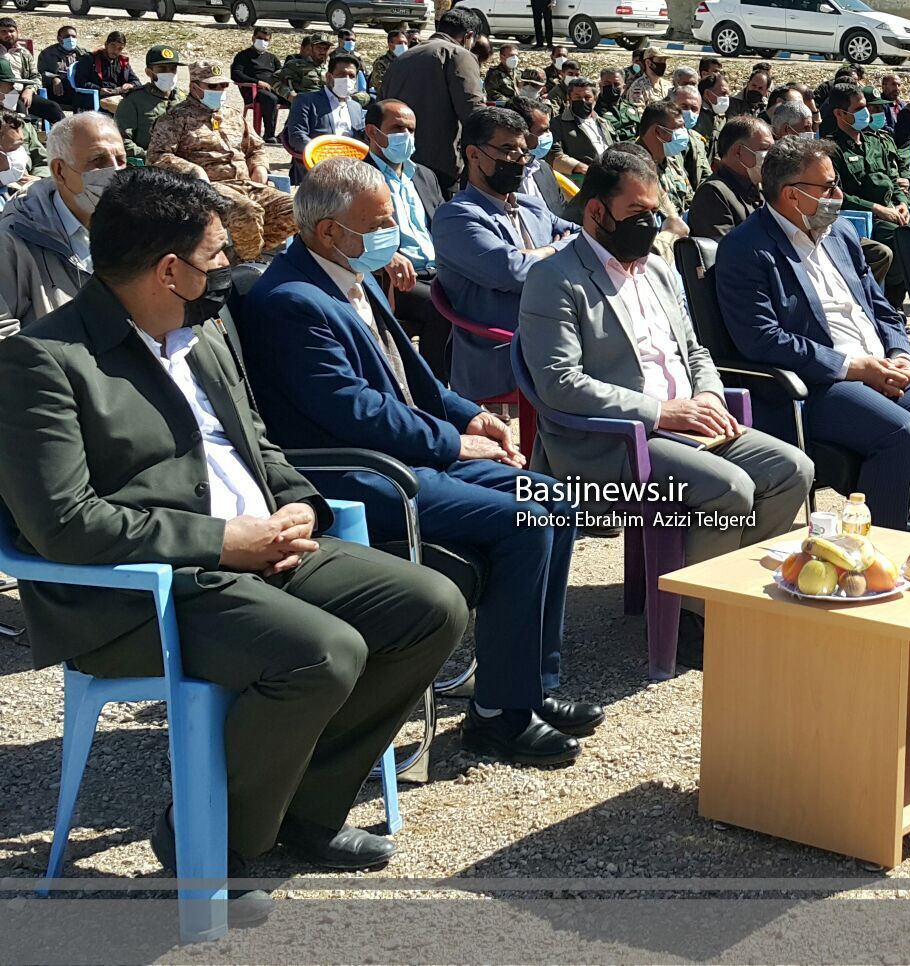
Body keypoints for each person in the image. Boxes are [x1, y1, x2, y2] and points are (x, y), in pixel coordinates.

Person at [0, 168, 467, 908]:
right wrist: (223, 541)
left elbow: (257, 444)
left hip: (260, 553)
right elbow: (63, 523)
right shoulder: (44, 362)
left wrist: (296, 504)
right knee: (323, 653)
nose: (230, 270)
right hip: (144, 592)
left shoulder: (204, 330)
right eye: (217, 255)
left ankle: (302, 811)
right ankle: (211, 839)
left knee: (431, 606)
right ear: (169, 270)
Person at [237, 159, 592, 769]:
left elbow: (413, 379)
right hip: (363, 473)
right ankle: (497, 717)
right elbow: (356, 411)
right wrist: (454, 443)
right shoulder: (290, 301)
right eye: (378, 222)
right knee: (521, 521)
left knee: (553, 499)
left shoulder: (353, 271)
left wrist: (467, 415)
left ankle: (531, 686)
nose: (393, 232)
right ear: (326, 231)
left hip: (410, 455)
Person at [519, 146, 812, 667]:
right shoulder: (555, 278)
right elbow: (559, 384)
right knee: (730, 488)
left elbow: (694, 349)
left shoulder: (657, 270)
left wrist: (706, 395)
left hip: (689, 422)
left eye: (655, 213)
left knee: (793, 469)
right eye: (636, 214)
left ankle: (724, 593)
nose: (649, 225)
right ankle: (693, 616)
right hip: (611, 443)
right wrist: (661, 411)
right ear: (595, 212)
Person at [722, 136, 910, 529]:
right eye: (828, 187)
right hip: (816, 385)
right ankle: (877, 552)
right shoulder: (746, 248)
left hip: (882, 368)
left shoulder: (841, 235)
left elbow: (881, 307)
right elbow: (761, 338)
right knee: (903, 433)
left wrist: (900, 352)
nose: (838, 194)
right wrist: (852, 368)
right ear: (792, 195)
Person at [432, 106, 578, 402]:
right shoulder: (456, 217)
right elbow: (514, 271)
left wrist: (545, 251)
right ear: (474, 155)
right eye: (508, 150)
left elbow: (584, 237)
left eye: (524, 152)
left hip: (557, 337)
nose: (520, 161)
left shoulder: (531, 206)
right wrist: (554, 249)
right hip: (503, 350)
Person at [147, 65, 295, 262]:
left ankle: (237, 257)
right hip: (207, 187)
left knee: (296, 209)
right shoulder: (175, 118)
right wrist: (192, 169)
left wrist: (259, 166)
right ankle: (248, 266)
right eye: (213, 86)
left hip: (246, 184)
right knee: (247, 212)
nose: (219, 91)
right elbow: (157, 156)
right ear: (195, 87)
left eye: (223, 85)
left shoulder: (233, 115)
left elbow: (256, 148)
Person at [0, 112, 123, 336]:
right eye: (98, 161)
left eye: (121, 160)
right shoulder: (12, 240)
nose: (115, 171)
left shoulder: (138, 224)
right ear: (60, 171)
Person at [359, 97, 451, 377]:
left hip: (441, 271)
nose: (407, 137)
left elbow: (441, 227)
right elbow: (349, 232)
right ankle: (433, 390)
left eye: (411, 130)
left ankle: (475, 384)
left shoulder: (424, 175)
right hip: (396, 277)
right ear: (373, 132)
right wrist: (386, 254)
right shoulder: (360, 178)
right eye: (398, 129)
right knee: (443, 308)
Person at [380, 9, 486, 192]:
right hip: (439, 168)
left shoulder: (403, 57)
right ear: (468, 36)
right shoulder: (458, 54)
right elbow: (474, 113)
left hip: (396, 161)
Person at [821, 81, 910, 272]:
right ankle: (890, 298)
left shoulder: (874, 141)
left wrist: (902, 203)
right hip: (864, 219)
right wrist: (877, 209)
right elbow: (837, 195)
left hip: (891, 212)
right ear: (840, 113)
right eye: (859, 108)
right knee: (906, 245)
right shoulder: (831, 149)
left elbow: (892, 180)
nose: (867, 113)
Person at [688, 114, 774, 240]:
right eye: (765, 148)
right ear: (739, 151)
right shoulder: (713, 193)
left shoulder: (761, 188)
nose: (770, 156)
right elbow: (726, 251)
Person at [280, 51, 367, 173]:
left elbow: (362, 138)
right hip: (317, 166)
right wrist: (323, 155)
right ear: (329, 77)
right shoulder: (306, 101)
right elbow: (297, 137)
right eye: (342, 75)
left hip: (352, 167)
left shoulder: (356, 107)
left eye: (351, 76)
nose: (347, 79)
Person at [111, 43, 182, 163]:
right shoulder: (134, 101)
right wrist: (149, 155)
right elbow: (121, 140)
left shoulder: (182, 98)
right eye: (162, 69)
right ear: (149, 72)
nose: (169, 73)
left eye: (172, 69)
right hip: (149, 165)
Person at [552, 74, 611, 170]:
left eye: (587, 97)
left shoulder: (604, 123)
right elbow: (554, 155)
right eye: (578, 97)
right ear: (569, 98)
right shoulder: (558, 124)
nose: (583, 101)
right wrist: (579, 167)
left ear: (595, 98)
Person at [73, 28, 139, 110]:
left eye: (120, 48)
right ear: (106, 44)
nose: (115, 51)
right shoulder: (90, 59)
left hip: (117, 97)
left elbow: (136, 81)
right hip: (95, 97)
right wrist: (99, 89)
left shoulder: (122, 61)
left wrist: (130, 85)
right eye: (113, 46)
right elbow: (80, 81)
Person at [274, 33, 331, 104]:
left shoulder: (333, 67)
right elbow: (273, 78)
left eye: (326, 48)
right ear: (311, 48)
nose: (322, 51)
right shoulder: (296, 65)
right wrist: (288, 94)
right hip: (306, 104)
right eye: (319, 48)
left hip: (328, 104)